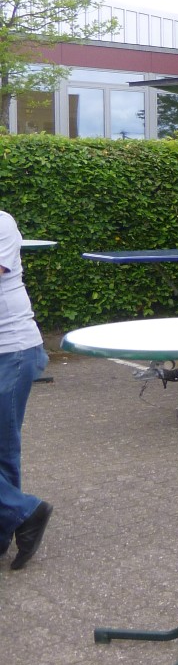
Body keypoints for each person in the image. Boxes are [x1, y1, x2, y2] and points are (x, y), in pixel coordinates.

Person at [0, 211, 52, 570]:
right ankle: (17, 519)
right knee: (3, 449)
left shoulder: (2, 222)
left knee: (4, 448)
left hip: (12, 351)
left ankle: (22, 513)